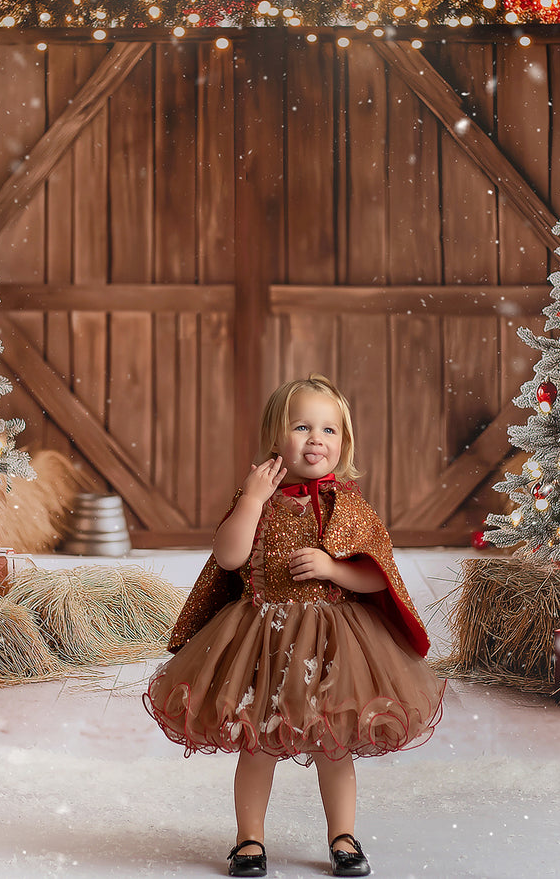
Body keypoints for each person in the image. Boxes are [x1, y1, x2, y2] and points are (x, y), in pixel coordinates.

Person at [145, 374, 444, 878]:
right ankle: (249, 839)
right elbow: (228, 555)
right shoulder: (257, 499)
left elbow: (378, 574)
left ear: (343, 443)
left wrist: (334, 569)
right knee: (258, 744)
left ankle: (343, 836)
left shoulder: (346, 503)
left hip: (334, 646)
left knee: (335, 745)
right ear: (275, 438)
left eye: (329, 430)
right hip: (260, 641)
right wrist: (251, 500)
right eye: (302, 426)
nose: (316, 440)